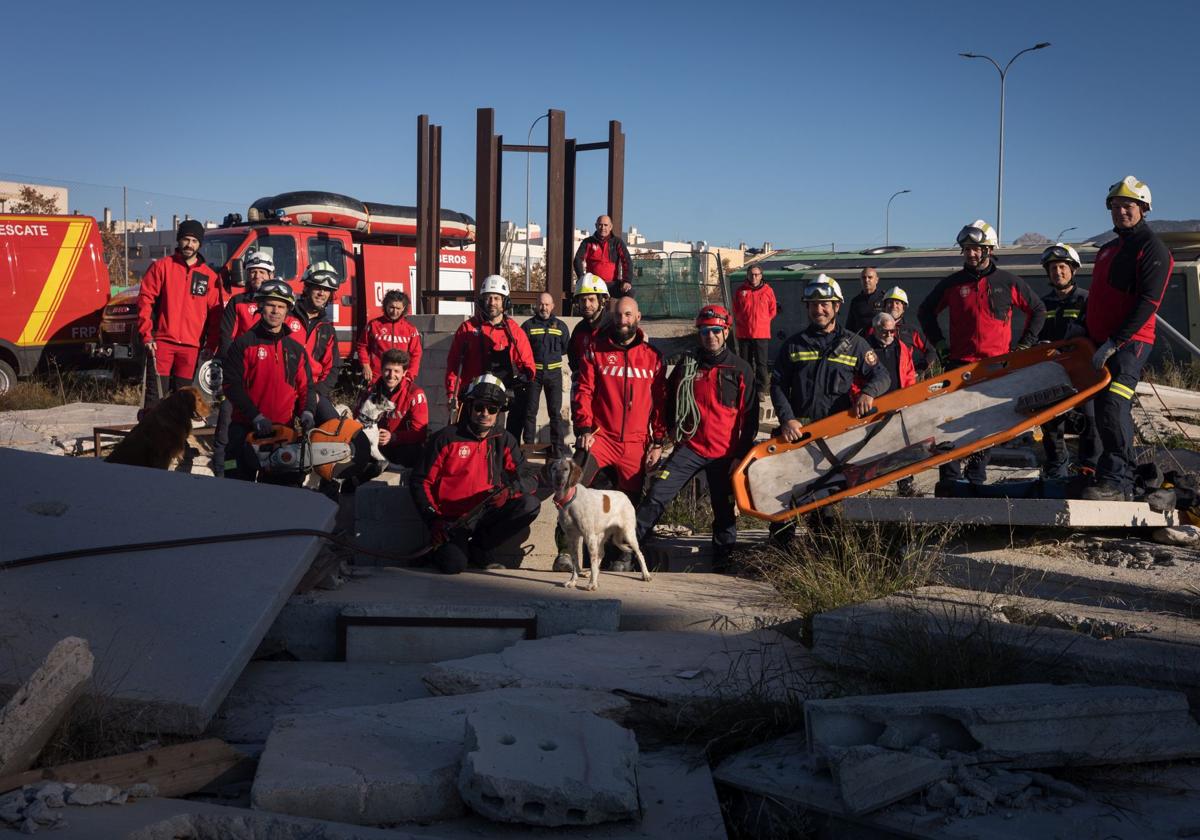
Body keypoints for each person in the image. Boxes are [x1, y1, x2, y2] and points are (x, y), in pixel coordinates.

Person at [917, 220, 1045, 490]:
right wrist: (940, 345)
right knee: (947, 422)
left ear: (989, 249)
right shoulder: (951, 284)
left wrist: (1024, 347)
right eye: (966, 249)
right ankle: (950, 480)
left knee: (986, 425)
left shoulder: (1008, 282)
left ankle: (976, 479)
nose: (971, 254)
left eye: (976, 248)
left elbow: (1038, 310)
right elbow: (925, 312)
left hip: (995, 367)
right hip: (958, 366)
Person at [634, 305, 758, 571]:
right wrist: (663, 438)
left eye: (715, 330)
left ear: (725, 331)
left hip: (725, 453)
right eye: (704, 331)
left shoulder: (740, 369)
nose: (710, 336)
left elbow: (750, 418)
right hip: (689, 448)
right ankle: (628, 548)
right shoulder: (687, 365)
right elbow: (669, 401)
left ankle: (723, 562)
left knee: (723, 510)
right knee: (657, 494)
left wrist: (740, 456)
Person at [1081, 177, 1172, 501]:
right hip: (1100, 343)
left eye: (1128, 206)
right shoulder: (1108, 250)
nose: (1121, 211)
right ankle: (1107, 473)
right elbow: (1098, 298)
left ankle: (1117, 483)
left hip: (1129, 345)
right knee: (1098, 411)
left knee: (1112, 406)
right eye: (1116, 206)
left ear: (1143, 208)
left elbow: (1149, 302)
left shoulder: (1152, 249)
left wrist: (1115, 342)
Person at [572, 295, 667, 571]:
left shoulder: (653, 358)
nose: (622, 321)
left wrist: (658, 441)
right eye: (618, 315)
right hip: (602, 436)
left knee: (630, 503)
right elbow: (584, 391)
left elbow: (661, 402)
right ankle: (567, 551)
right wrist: (584, 428)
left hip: (636, 442)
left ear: (638, 318)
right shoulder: (595, 350)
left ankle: (621, 555)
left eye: (628, 315)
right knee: (573, 486)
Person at [411, 374, 540, 575]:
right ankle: (440, 551)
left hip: (486, 514)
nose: (485, 413)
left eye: (492, 409)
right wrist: (433, 519)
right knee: (454, 566)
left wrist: (509, 492)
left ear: (499, 412)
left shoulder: (504, 440)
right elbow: (421, 481)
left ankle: (480, 548)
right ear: (470, 407)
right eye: (479, 407)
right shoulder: (445, 438)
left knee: (529, 505)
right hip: (452, 520)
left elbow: (530, 477)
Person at [222, 279, 315, 483]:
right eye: (271, 305)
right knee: (233, 482)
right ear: (260, 306)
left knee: (282, 495)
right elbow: (231, 386)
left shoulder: (296, 350)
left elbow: (306, 387)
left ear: (288, 311)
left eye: (281, 306)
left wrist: (307, 411)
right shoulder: (242, 345)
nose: (276, 311)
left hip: (283, 434)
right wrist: (255, 416)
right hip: (244, 429)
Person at [136, 219, 223, 410]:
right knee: (155, 397)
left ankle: (178, 439)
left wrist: (211, 345)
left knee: (184, 402)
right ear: (178, 240)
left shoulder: (209, 276)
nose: (189, 244)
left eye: (194, 240)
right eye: (185, 239)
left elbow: (216, 314)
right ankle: (150, 439)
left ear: (200, 244)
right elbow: (145, 300)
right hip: (162, 344)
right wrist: (147, 335)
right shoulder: (162, 266)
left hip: (191, 347)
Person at [1036, 243, 1100, 480]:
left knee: (1091, 421)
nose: (1058, 272)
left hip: (1084, 372)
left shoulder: (1087, 300)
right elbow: (1035, 335)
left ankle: (1090, 468)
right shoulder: (1042, 305)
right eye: (1052, 268)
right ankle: (1057, 469)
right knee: (1051, 424)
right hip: (1052, 373)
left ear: (1073, 270)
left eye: (1062, 267)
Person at [444, 274, 535, 438]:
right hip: (471, 398)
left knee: (499, 441)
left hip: (499, 400)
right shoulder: (467, 328)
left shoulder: (513, 331)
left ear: (505, 302)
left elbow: (528, 365)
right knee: (463, 438)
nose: (492, 302)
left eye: (497, 298)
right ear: (481, 301)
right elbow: (453, 364)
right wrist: (452, 394)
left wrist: (523, 377)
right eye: (488, 298)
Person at [212, 248, 273, 477]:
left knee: (269, 431)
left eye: (262, 272)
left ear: (271, 275)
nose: (257, 277)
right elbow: (226, 339)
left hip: (266, 380)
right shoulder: (237, 303)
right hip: (239, 379)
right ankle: (223, 473)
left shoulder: (278, 305)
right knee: (226, 432)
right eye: (253, 272)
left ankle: (267, 476)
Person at [285, 261, 342, 425]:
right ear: (307, 287)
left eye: (327, 290)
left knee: (335, 431)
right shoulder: (286, 317)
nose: (322, 293)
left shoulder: (327, 329)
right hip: (283, 391)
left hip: (312, 392)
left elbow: (332, 368)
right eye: (318, 287)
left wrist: (317, 393)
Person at [868, 311, 918, 496]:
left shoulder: (901, 347)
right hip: (876, 404)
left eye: (892, 331)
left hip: (899, 402)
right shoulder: (866, 348)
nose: (889, 335)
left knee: (902, 444)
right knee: (875, 444)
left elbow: (909, 373)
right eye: (885, 331)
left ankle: (905, 481)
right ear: (875, 329)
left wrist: (909, 397)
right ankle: (870, 482)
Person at [355, 348, 428, 469]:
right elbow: (356, 419)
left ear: (404, 373)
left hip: (402, 447)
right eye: (387, 370)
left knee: (413, 451)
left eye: (396, 371)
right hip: (374, 446)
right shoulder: (370, 392)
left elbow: (420, 434)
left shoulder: (415, 394)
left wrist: (394, 437)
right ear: (381, 370)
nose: (391, 375)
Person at [521, 292, 570, 458]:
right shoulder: (528, 326)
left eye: (547, 304)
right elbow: (523, 350)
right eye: (541, 304)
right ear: (536, 305)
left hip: (554, 375)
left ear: (553, 306)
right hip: (534, 375)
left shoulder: (561, 326)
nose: (544, 308)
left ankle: (557, 449)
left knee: (555, 413)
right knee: (530, 411)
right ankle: (528, 447)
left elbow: (565, 348)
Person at [355, 289, 423, 384]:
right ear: (385, 306)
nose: (394, 311)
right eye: (391, 307)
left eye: (398, 308)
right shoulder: (373, 325)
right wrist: (365, 366)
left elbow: (416, 354)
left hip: (400, 379)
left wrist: (410, 375)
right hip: (376, 378)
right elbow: (362, 346)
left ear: (404, 308)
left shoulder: (410, 329)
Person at [732, 263, 777, 394]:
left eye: (756, 274)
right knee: (745, 363)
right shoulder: (741, 291)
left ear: (761, 276)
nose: (754, 277)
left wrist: (762, 321)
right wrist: (742, 320)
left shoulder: (768, 291)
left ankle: (761, 390)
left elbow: (772, 310)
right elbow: (736, 309)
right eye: (751, 274)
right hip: (744, 333)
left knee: (761, 364)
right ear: (747, 275)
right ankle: (746, 389)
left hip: (761, 333)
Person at [567, 273, 612, 394]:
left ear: (602, 301)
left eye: (591, 299)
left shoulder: (614, 327)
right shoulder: (579, 330)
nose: (586, 305)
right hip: (584, 391)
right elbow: (573, 356)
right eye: (583, 300)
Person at [573, 215, 633, 298]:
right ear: (596, 226)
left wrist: (627, 281)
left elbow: (627, 261)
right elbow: (577, 260)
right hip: (593, 285)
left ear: (610, 227)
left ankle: (621, 311)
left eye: (605, 225)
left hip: (612, 284)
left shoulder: (617, 242)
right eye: (600, 225)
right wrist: (582, 278)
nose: (602, 228)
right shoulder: (587, 242)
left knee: (630, 292)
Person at [880, 286, 930, 377]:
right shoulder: (874, 328)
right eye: (890, 302)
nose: (894, 306)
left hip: (905, 381)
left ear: (903, 308)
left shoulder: (911, 330)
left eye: (897, 303)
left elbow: (931, 351)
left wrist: (919, 371)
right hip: (881, 380)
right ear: (884, 306)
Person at [846, 267, 884, 334]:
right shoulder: (856, 301)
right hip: (861, 341)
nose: (866, 280)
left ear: (877, 280)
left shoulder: (884, 299)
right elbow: (850, 327)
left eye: (870, 277)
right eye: (864, 277)